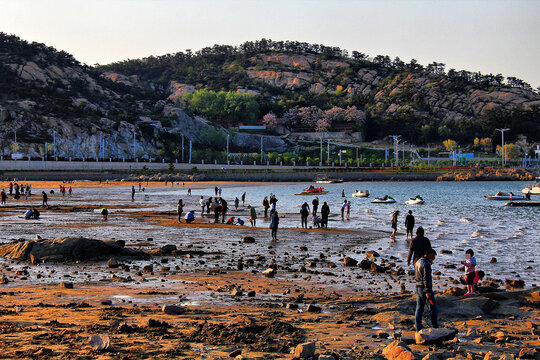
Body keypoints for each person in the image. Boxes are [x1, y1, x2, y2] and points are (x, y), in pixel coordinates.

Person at [415, 248, 439, 332]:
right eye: (433, 255)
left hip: (418, 287)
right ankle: (435, 327)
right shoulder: (426, 263)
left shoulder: (418, 262)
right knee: (433, 308)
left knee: (419, 308)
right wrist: (428, 290)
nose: (434, 257)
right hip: (425, 288)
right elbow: (426, 278)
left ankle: (418, 328)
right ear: (428, 254)